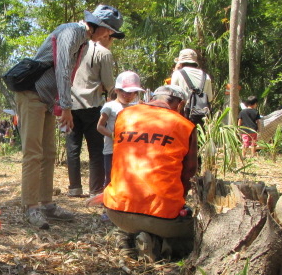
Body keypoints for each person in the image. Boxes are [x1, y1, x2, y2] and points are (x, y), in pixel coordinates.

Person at [15, 4, 125, 229]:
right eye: (108, 31)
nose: (108, 36)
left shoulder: (84, 42)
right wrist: (66, 107)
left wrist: (59, 104)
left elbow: (69, 75)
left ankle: (46, 204)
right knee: (33, 152)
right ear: (98, 26)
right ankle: (30, 207)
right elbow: (62, 69)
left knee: (49, 153)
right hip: (31, 94)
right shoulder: (70, 32)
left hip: (46, 97)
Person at [102, 85, 198, 262]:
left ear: (153, 97)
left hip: (115, 210)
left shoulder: (125, 116)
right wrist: (177, 203)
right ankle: (160, 246)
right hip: (162, 217)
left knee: (136, 218)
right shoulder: (185, 126)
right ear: (179, 104)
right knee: (193, 231)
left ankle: (129, 238)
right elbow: (189, 172)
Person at [66, 36, 117, 198]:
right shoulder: (104, 53)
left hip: (71, 105)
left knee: (72, 148)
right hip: (92, 105)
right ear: (106, 35)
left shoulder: (72, 49)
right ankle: (95, 190)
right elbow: (110, 85)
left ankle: (74, 188)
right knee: (95, 149)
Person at [97, 71, 144, 192]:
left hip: (129, 150)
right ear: (117, 90)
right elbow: (100, 126)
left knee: (127, 177)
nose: (128, 95)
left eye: (132, 93)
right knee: (111, 177)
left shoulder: (135, 108)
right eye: (125, 92)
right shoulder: (110, 106)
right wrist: (112, 135)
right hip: (111, 150)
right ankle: (107, 203)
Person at [170, 48, 214, 116]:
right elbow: (210, 98)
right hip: (202, 117)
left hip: (183, 116)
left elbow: (172, 96)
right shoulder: (206, 76)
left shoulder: (177, 74)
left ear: (180, 63)